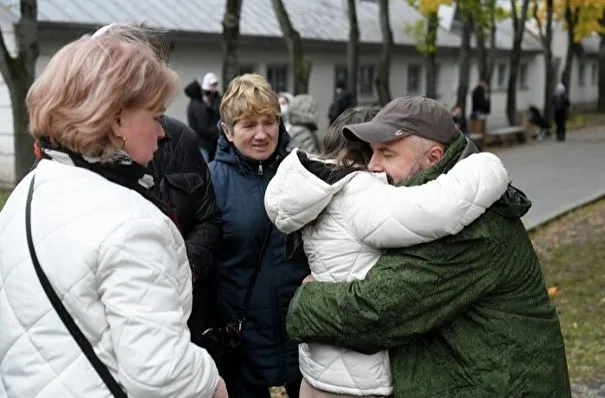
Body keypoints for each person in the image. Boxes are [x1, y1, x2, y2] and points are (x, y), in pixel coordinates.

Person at [286, 96, 572, 397]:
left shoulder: (468, 229)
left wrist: (304, 300)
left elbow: (375, 312)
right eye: (372, 153)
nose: (373, 166)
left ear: (434, 158)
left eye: (387, 153)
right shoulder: (431, 212)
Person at [0, 30, 226, 397]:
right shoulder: (132, 222)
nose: (160, 132)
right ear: (117, 120)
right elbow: (160, 373)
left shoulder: (25, 193)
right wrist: (211, 382)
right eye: (155, 116)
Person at [94, 22, 223, 351]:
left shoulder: (180, 140)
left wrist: (184, 268)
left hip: (184, 319)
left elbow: (208, 217)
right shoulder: (70, 158)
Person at [209, 73, 307, 397]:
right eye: (249, 124)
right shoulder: (210, 183)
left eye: (269, 121)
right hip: (243, 348)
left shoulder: (302, 174)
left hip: (304, 340)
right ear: (227, 130)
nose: (262, 134)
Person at [185, 72, 222, 162]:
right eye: (212, 85)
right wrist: (218, 131)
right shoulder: (198, 105)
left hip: (209, 142)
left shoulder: (213, 98)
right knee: (205, 168)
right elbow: (204, 126)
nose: (214, 87)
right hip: (203, 142)